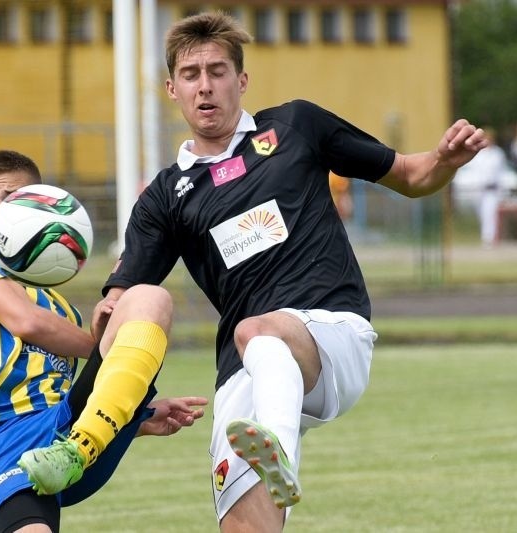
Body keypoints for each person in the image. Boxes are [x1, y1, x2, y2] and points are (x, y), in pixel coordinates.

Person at [31, 12, 487, 532]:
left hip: (331, 336)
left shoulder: (296, 127)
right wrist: (109, 311)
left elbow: (410, 174)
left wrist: (445, 159)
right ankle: (272, 452)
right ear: (171, 89)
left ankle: (278, 451)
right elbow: (125, 296)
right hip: (242, 371)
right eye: (191, 74)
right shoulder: (163, 198)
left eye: (218, 71)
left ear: (241, 81)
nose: (206, 86)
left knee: (258, 328)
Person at [0, 149, 208, 533]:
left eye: (12, 200)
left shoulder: (62, 310)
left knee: (148, 297)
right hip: (1, 437)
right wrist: (100, 344)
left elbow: (63, 389)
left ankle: (79, 448)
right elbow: (24, 321)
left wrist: (134, 414)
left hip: (70, 434)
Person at [456, 127, 511, 246]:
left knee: (489, 213)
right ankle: (483, 236)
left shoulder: (497, 153)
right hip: (478, 189)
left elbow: (500, 172)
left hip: (491, 189)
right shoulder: (477, 154)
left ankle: (488, 239)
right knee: (481, 214)